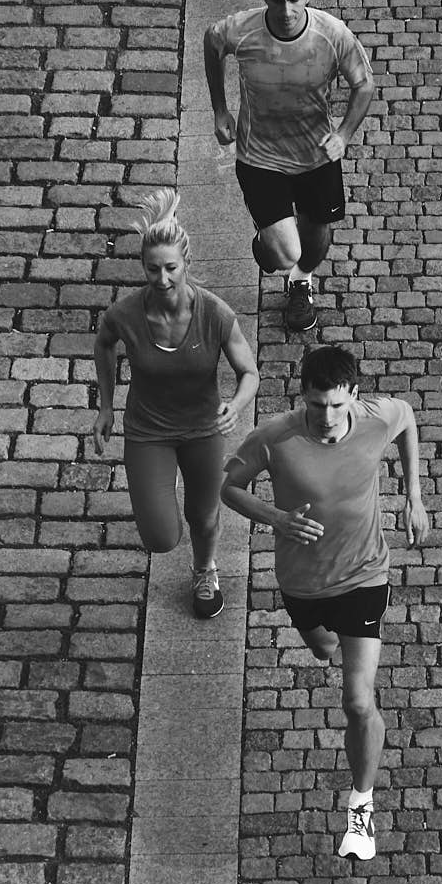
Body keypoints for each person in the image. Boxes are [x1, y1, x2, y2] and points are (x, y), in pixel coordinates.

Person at [223, 344, 429, 860]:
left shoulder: (376, 416)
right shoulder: (275, 437)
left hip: (365, 576)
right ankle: (326, 641)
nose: (327, 418)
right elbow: (230, 489)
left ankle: (361, 808)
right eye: (317, 406)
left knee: (358, 700)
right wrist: (277, 519)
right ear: (303, 398)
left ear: (354, 396)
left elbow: (407, 422)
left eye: (337, 405)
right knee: (320, 649)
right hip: (303, 585)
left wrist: (413, 493)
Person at [93, 189, 263, 618]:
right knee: (161, 537)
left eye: (171, 268)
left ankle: (205, 570)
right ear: (143, 267)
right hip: (148, 430)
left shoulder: (215, 314)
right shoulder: (124, 315)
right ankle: (179, 537)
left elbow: (250, 374)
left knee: (204, 517)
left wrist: (236, 406)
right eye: (153, 270)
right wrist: (106, 405)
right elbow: (104, 343)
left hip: (203, 429)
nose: (163, 279)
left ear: (186, 263)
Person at [203, 0, 377, 334]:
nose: (286, 11)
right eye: (277, 1)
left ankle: (301, 283)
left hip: (316, 156)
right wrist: (219, 108)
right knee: (284, 251)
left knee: (314, 244)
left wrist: (344, 135)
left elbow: (364, 85)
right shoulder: (241, 30)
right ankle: (273, 247)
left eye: (295, 0)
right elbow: (212, 44)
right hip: (260, 157)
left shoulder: (331, 35)